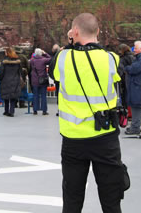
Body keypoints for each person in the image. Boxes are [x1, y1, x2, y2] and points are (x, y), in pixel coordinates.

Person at [51, 13, 127, 212]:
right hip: (106, 137)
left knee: (72, 200)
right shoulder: (112, 59)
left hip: (73, 139)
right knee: (111, 201)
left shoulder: (62, 58)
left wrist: (69, 42)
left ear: (74, 32)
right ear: (98, 32)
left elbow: (53, 72)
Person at [124, 41, 141, 136]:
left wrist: (127, 68)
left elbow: (133, 69)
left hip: (138, 87)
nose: (133, 50)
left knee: (136, 107)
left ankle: (135, 128)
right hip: (136, 86)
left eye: (135, 48)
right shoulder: (140, 58)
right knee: (135, 106)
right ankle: (134, 127)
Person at [0, 47, 23, 117]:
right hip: (15, 80)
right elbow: (20, 71)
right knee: (13, 97)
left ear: (7, 53)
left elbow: (1, 72)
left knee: (6, 96)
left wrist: (1, 79)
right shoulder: (18, 61)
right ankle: (12, 111)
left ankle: (6, 111)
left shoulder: (4, 61)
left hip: (6, 80)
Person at [30, 48, 52, 115]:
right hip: (42, 80)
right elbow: (51, 59)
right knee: (43, 95)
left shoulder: (32, 60)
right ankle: (44, 111)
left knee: (35, 95)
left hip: (34, 80)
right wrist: (45, 53)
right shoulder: (44, 60)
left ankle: (35, 110)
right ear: (41, 53)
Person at [116, 44, 134, 114]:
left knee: (124, 96)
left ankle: (126, 112)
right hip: (132, 79)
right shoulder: (133, 56)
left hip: (124, 79)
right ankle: (131, 113)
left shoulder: (122, 58)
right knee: (130, 96)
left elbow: (121, 69)